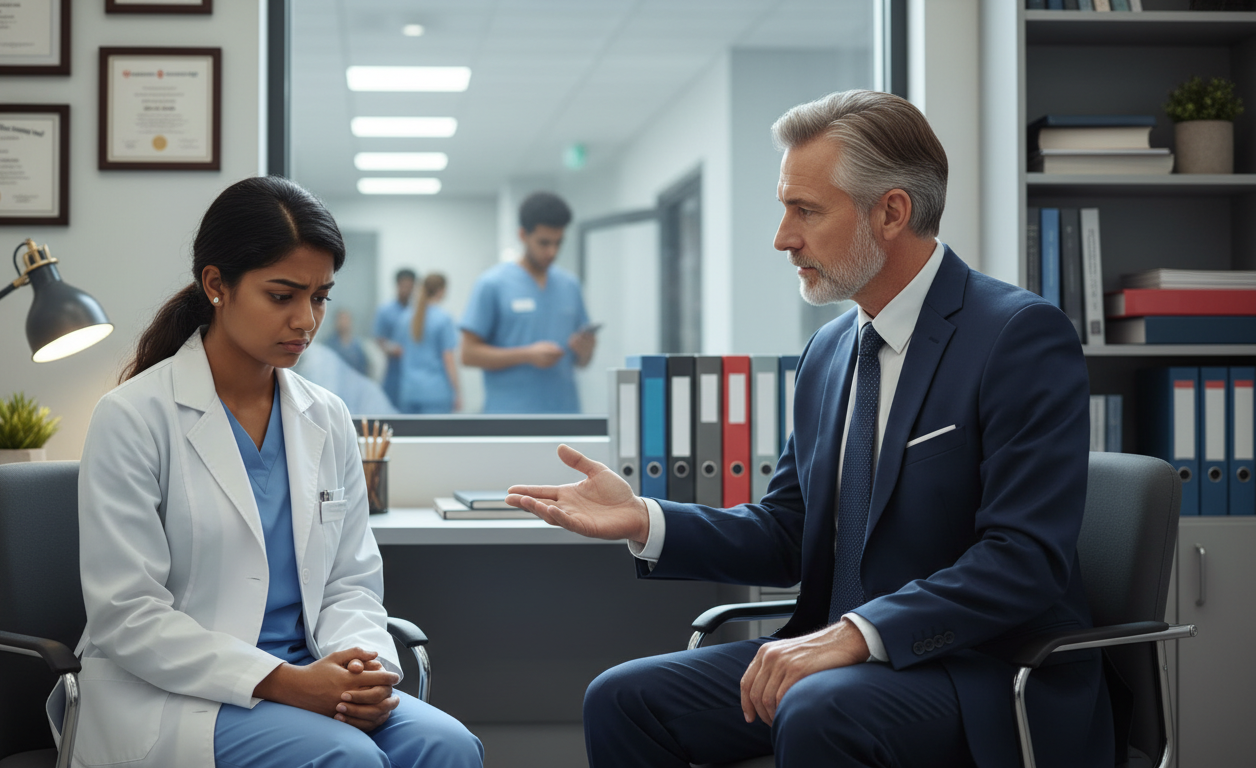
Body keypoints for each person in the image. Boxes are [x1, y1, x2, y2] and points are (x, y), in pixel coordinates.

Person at [505, 91, 1111, 768]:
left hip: (982, 670)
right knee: (621, 699)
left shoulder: (1016, 337)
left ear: (891, 212)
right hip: (840, 663)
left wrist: (858, 633)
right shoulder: (829, 354)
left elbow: (1022, 560)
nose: (783, 237)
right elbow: (789, 533)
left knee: (819, 709)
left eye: (807, 211)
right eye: (785, 208)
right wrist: (645, 520)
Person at [57, 176, 482, 768]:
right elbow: (127, 616)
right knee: (348, 759)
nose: (307, 320)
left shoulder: (326, 416)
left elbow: (349, 582)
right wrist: (284, 681)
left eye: (320, 296)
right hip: (181, 693)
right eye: (283, 296)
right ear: (216, 285)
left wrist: (360, 669)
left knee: (447, 746)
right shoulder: (134, 417)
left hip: (313, 674)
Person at [460, 191, 595, 413]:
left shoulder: (570, 285)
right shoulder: (492, 284)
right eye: (544, 243)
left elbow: (582, 362)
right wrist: (527, 355)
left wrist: (586, 350)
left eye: (558, 243)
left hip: (564, 415)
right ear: (522, 235)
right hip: (511, 417)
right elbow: (468, 354)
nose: (552, 252)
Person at [394, 273, 460, 414]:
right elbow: (448, 359)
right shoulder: (444, 319)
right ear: (441, 290)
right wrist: (457, 392)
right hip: (436, 394)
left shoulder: (405, 317)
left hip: (409, 391)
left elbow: (400, 351)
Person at [373, 268, 416, 407]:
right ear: (397, 285)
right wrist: (393, 349)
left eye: (410, 286)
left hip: (415, 370)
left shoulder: (418, 312)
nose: (407, 290)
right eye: (404, 285)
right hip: (394, 370)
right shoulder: (386, 311)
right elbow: (379, 339)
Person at [325, 308, 371, 376]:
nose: (343, 322)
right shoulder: (328, 345)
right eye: (340, 319)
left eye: (346, 319)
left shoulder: (358, 346)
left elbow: (363, 368)